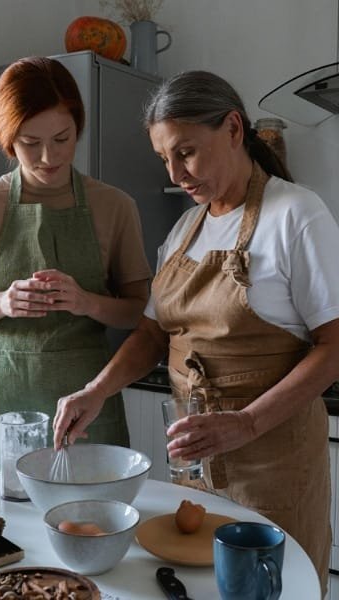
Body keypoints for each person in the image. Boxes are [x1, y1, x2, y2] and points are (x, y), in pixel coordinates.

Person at [52, 70, 339, 593]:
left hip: (273, 460)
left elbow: (335, 346)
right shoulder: (187, 228)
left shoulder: (296, 214)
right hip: (196, 461)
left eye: (186, 151)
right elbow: (151, 333)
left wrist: (247, 423)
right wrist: (97, 390)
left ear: (233, 128)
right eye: (164, 158)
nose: (177, 172)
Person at [0, 56, 151, 475]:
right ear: (7, 138)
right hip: (2, 399)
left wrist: (86, 301)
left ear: (78, 128)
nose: (48, 156)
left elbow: (138, 313)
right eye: (29, 143)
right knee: (4, 532)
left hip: (89, 402)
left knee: (94, 523)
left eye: (62, 138)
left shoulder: (115, 205)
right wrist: (2, 302)